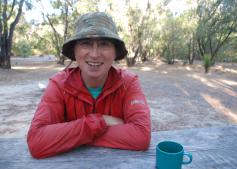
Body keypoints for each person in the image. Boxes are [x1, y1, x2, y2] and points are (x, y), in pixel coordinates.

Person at [27, 12, 151, 159]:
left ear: (115, 52)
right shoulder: (59, 84)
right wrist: (100, 121)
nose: (94, 54)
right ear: (74, 50)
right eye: (86, 43)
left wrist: (71, 136)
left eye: (104, 44)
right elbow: (37, 141)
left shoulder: (128, 83)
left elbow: (141, 136)